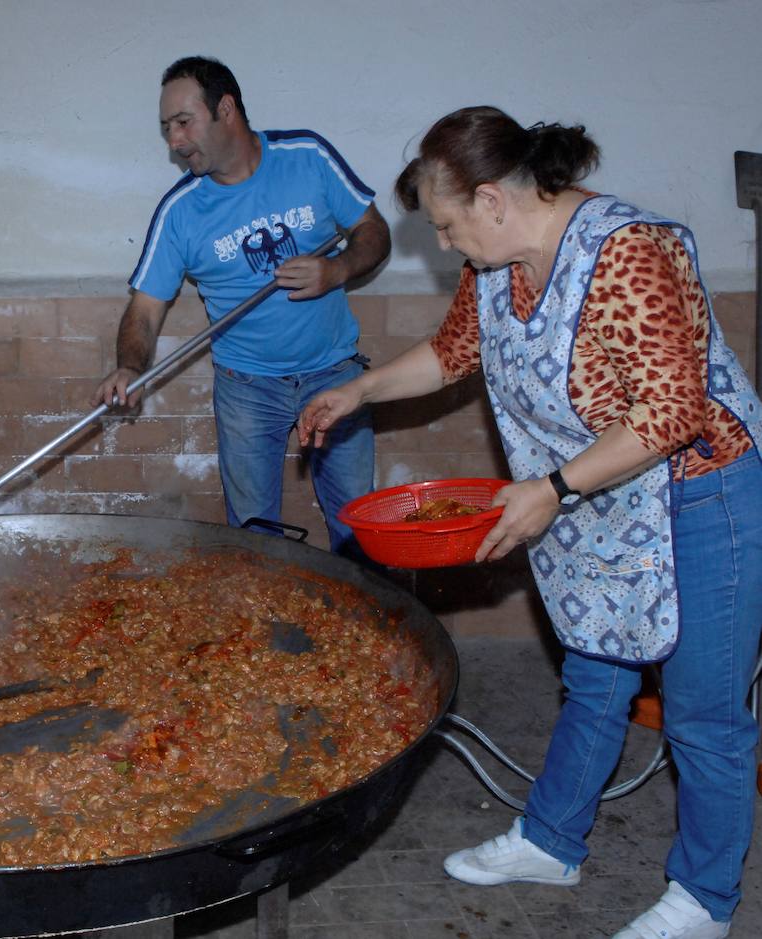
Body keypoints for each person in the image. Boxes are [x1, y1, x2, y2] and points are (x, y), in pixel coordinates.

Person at [298, 106, 762, 939]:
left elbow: (672, 410)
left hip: (703, 491)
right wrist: (359, 390)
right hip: (599, 493)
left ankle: (705, 897)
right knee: (596, 674)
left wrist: (551, 487)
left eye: (446, 225)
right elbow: (451, 354)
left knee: (703, 711)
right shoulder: (497, 267)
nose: (445, 244)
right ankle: (552, 841)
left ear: (491, 200)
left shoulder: (628, 252)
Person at [91, 56, 390, 560]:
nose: (175, 142)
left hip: (335, 376)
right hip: (247, 391)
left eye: (183, 123)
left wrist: (336, 270)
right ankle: (263, 637)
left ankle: (368, 634)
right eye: (166, 129)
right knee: (254, 540)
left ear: (225, 109)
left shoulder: (308, 156)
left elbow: (373, 231)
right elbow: (144, 310)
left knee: (361, 528)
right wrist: (129, 366)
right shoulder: (180, 211)